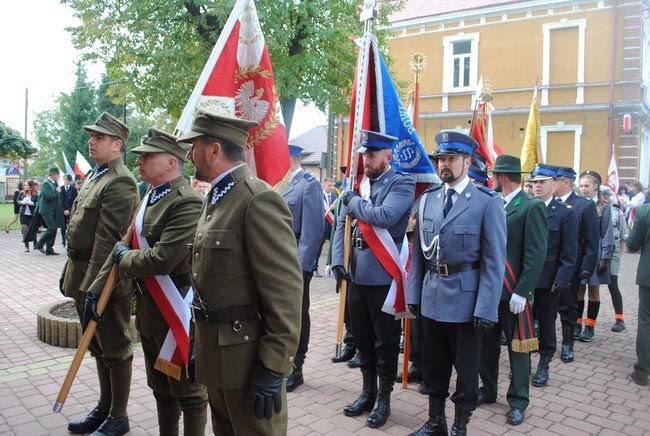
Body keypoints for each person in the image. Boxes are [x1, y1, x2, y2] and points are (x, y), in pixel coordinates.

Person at [180, 109, 302, 435]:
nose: (188, 154)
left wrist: (273, 366)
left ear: (213, 150)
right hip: (218, 357)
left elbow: (286, 294)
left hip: (248, 363)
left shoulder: (256, 200)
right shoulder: (218, 198)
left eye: (193, 147)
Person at [88, 128, 208, 435]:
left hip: (175, 313)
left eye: (147, 156)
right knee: (160, 387)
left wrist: (122, 258)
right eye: (139, 156)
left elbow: (161, 259)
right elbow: (124, 244)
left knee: (189, 393)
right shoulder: (150, 197)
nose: (139, 161)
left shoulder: (187, 202)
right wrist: (97, 288)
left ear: (171, 162)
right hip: (151, 312)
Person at [407, 132, 506, 436]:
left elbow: (494, 260)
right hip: (432, 296)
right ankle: (436, 421)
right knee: (433, 365)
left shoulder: (486, 203)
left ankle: (460, 425)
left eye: (450, 159)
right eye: (440, 159)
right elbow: (418, 255)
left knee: (466, 370)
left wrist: (487, 307)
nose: (443, 165)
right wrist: (414, 294)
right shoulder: (428, 200)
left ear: (467, 161)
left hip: (467, 302)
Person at [332, 130, 415, 429]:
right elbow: (343, 220)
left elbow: (383, 216)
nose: (367, 160)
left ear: (388, 156)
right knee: (363, 340)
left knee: (385, 343)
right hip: (357, 273)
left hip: (383, 275)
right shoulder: (361, 185)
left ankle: (384, 399)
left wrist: (353, 202)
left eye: (373, 155)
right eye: (365, 154)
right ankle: (367, 392)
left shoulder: (402, 183)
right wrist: (337, 261)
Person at [62, 112, 139, 436]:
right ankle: (105, 407)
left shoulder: (120, 180)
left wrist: (94, 289)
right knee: (95, 347)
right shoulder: (97, 176)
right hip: (84, 276)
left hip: (105, 281)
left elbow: (108, 243)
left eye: (99, 138)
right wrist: (72, 275)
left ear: (117, 145)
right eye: (92, 137)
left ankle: (118, 416)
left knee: (115, 349)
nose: (91, 142)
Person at [478, 155, 547, 426]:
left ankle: (518, 401)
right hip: (489, 291)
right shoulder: (493, 203)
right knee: (486, 344)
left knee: (518, 350)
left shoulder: (531, 206)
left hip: (514, 293)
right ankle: (488, 388)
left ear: (503, 178)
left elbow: (536, 253)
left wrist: (523, 290)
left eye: (494, 176)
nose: (491, 180)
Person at [529, 164, 578, 388]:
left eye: (542, 182)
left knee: (547, 323)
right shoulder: (527, 207)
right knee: (524, 323)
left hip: (549, 279)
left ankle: (544, 363)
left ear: (554, 183)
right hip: (526, 278)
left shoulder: (565, 213)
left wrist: (561, 280)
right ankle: (524, 363)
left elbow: (569, 253)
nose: (537, 186)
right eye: (535, 182)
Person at [280, 144, 323, 391]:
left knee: (296, 315)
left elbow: (312, 232)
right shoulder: (276, 184)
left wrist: (303, 267)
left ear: (291, 159)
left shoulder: (309, 185)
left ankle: (296, 367)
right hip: (274, 258)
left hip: (295, 261)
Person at [552, 166, 599, 363]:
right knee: (545, 307)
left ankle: (567, 344)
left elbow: (591, 241)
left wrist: (587, 267)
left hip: (571, 265)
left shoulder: (583, 206)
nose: (551, 184)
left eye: (555, 181)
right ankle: (546, 341)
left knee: (568, 307)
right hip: (548, 265)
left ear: (566, 183)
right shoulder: (548, 203)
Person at [575, 170, 614, 343]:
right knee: (578, 290)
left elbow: (607, 233)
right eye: (581, 186)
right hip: (579, 252)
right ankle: (576, 323)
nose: (583, 189)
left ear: (595, 187)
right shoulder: (576, 204)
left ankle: (589, 326)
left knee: (593, 290)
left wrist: (604, 257)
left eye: (587, 186)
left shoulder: (603, 207)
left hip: (596, 252)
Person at [627, 203, 650, 386]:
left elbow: (633, 244)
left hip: (648, 276)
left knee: (646, 322)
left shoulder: (644, 211)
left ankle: (642, 371)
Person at [602, 188, 627, 332]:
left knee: (613, 284)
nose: (605, 199)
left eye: (607, 196)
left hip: (614, 248)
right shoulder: (595, 210)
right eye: (603, 196)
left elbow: (623, 236)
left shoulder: (617, 213)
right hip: (600, 247)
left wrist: (619, 256)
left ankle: (619, 318)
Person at [35, 167, 64, 255]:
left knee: (54, 229)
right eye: (57, 175)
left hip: (52, 210)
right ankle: (39, 244)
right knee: (51, 228)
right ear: (53, 175)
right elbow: (49, 196)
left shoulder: (54, 183)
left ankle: (49, 248)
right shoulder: (46, 184)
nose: (58, 177)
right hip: (46, 210)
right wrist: (57, 192)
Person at [314, 177, 337, 277]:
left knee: (334, 248)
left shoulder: (335, 197)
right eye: (329, 185)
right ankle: (314, 268)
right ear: (324, 185)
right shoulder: (319, 196)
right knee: (318, 248)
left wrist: (335, 208)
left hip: (332, 226)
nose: (331, 187)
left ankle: (331, 267)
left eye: (332, 185)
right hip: (322, 227)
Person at [18, 181, 37, 252]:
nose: (26, 186)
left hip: (32, 215)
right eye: (25, 185)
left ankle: (35, 244)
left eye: (27, 185)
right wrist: (22, 202)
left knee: (33, 230)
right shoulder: (21, 193)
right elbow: (18, 201)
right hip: (23, 215)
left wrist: (32, 203)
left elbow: (37, 202)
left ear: (31, 186)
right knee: (25, 230)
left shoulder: (35, 193)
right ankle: (26, 246)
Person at [60, 174, 78, 246]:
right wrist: (64, 210)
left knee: (70, 226)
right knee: (63, 227)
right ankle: (63, 240)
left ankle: (69, 240)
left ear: (70, 180)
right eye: (64, 179)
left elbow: (75, 200)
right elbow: (60, 201)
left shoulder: (74, 190)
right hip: (63, 210)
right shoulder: (60, 188)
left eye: (67, 179)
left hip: (70, 210)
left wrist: (70, 210)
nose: (65, 181)